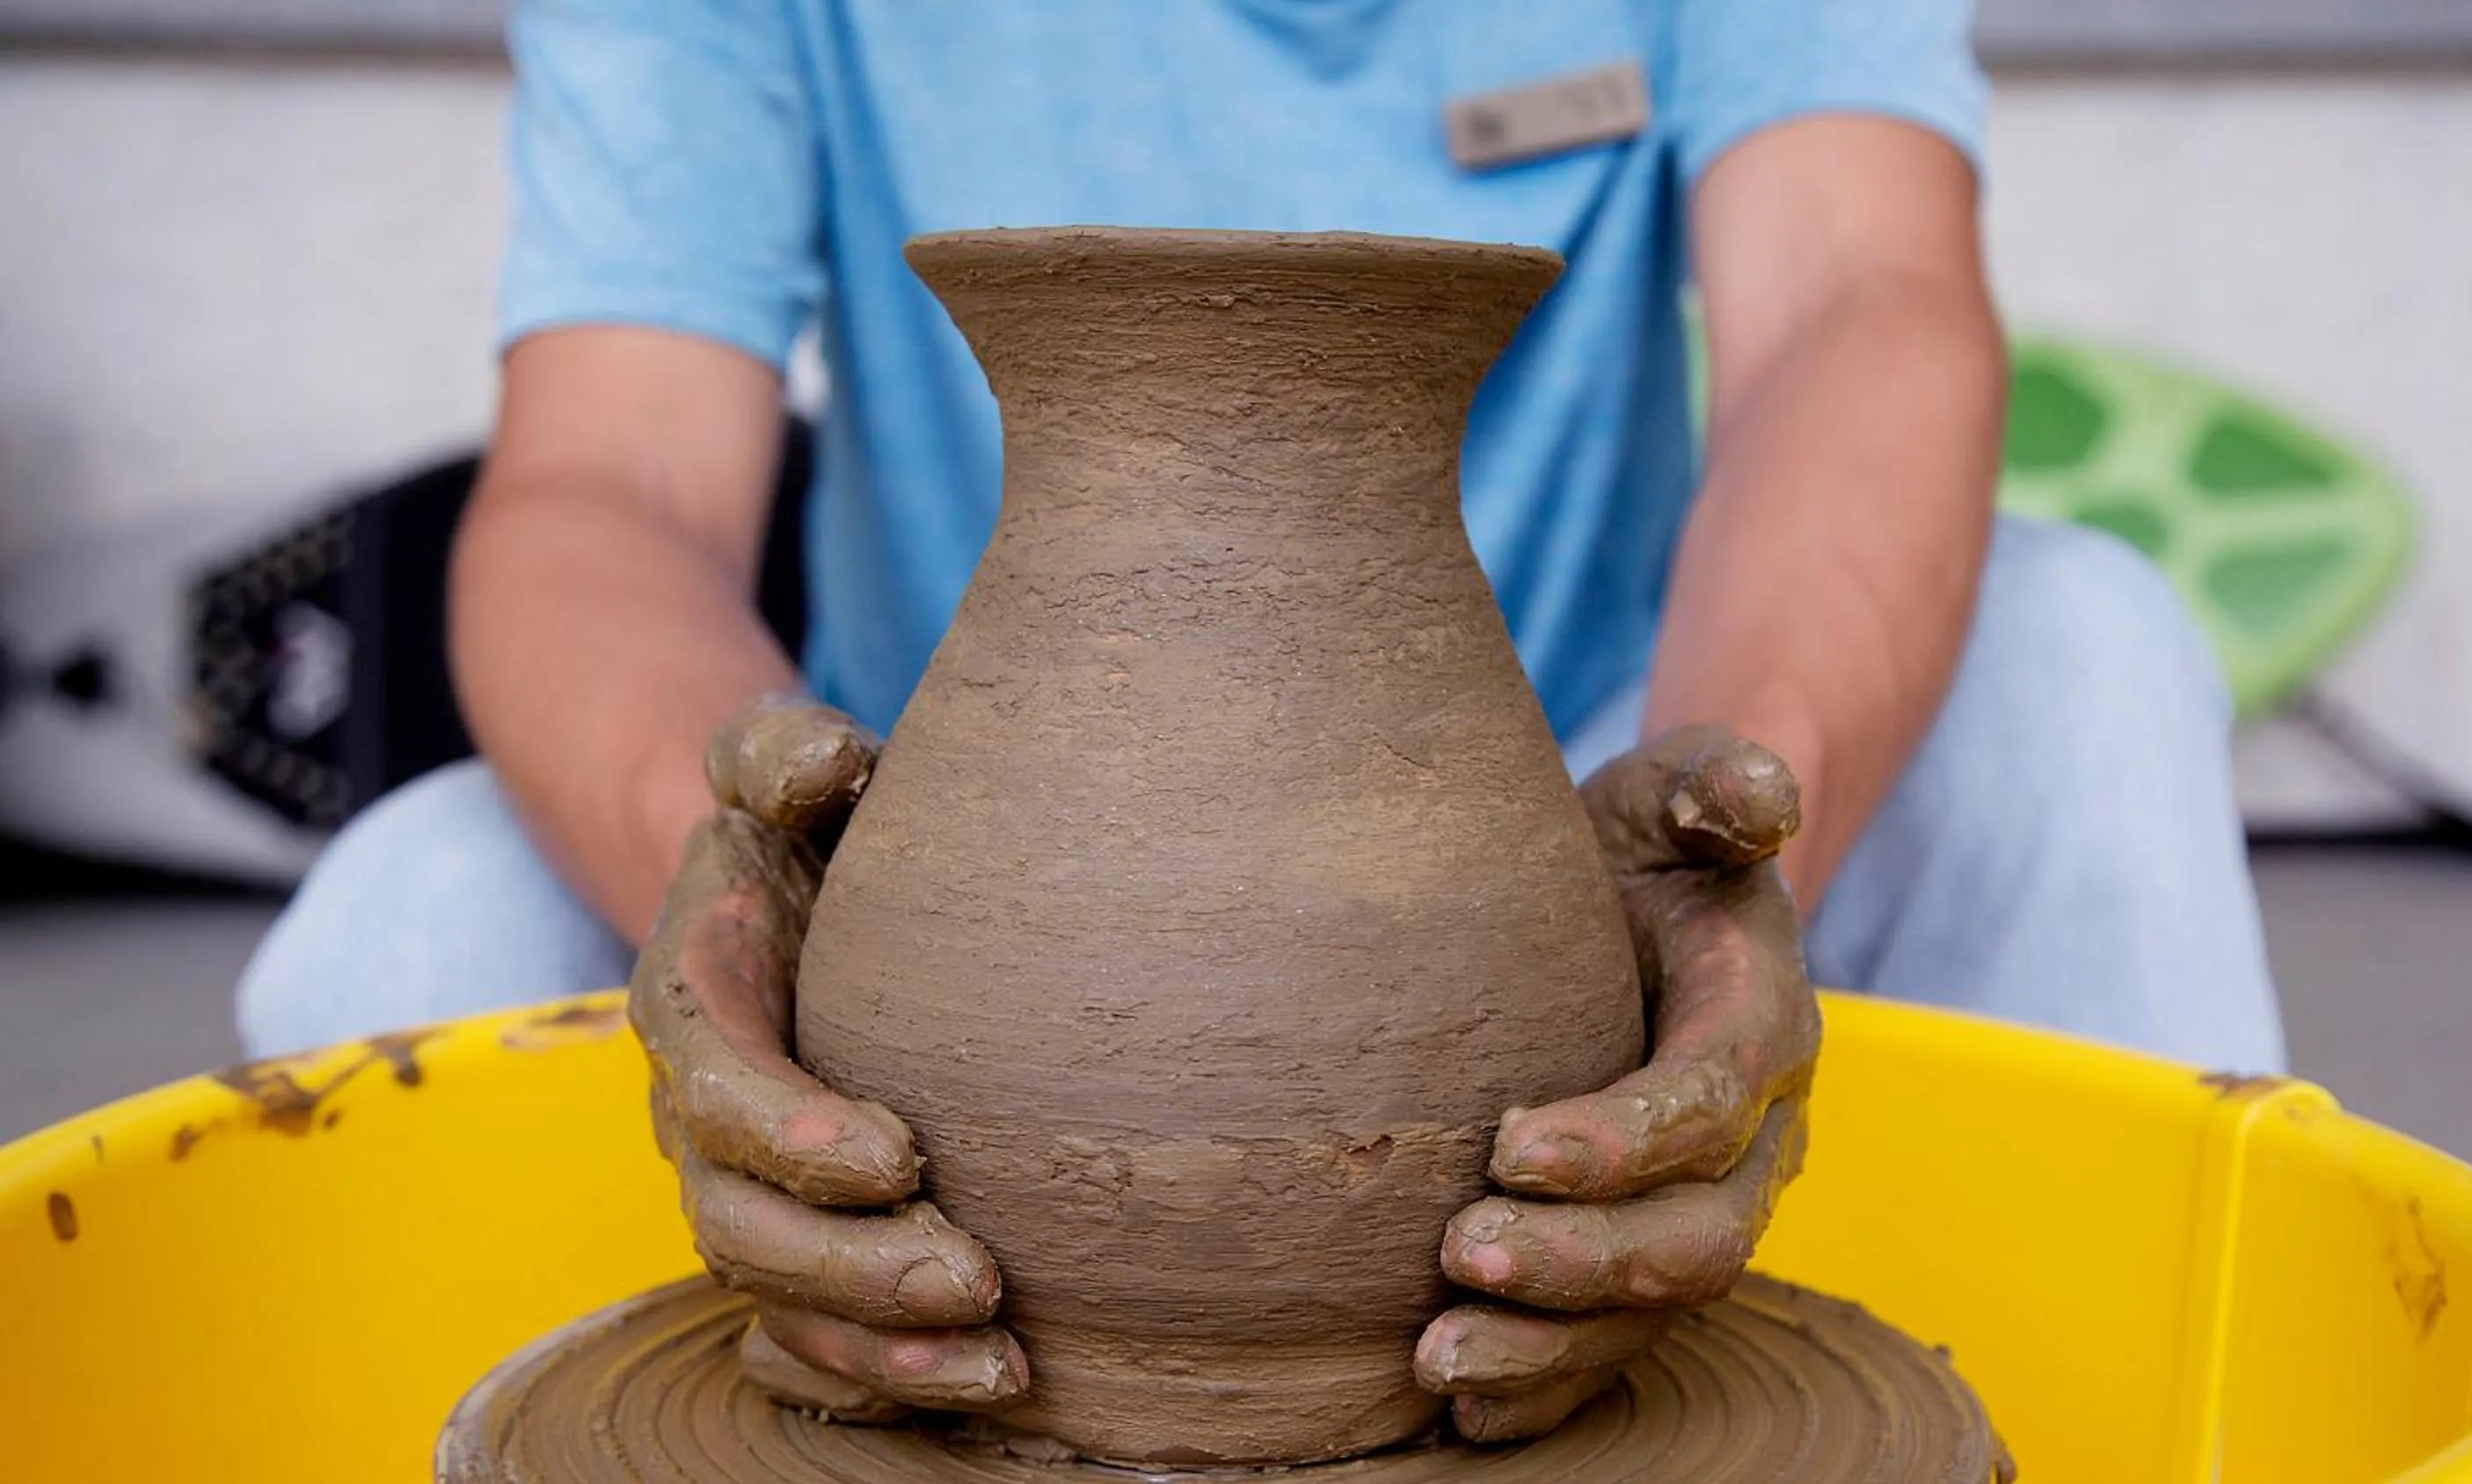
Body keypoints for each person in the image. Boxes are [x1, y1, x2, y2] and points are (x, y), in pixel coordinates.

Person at [236, 0, 2282, 1440]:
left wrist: (1705, 862)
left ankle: (2127, 1425)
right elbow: (605, 480)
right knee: (416, 908)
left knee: (2083, 661)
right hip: (934, 841)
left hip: (1573, 797)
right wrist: (768, 903)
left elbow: (1859, 302)